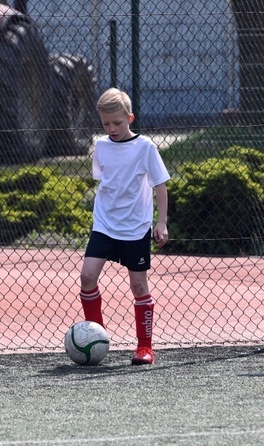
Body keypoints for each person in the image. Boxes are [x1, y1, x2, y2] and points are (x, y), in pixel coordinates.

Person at [79, 88, 170, 365]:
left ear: (129, 118)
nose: (112, 128)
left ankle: (145, 347)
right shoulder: (101, 147)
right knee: (87, 277)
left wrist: (161, 221)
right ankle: (96, 339)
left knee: (139, 285)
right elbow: (105, 181)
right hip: (105, 225)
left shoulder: (146, 148)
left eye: (117, 123)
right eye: (106, 123)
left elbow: (160, 186)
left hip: (135, 228)